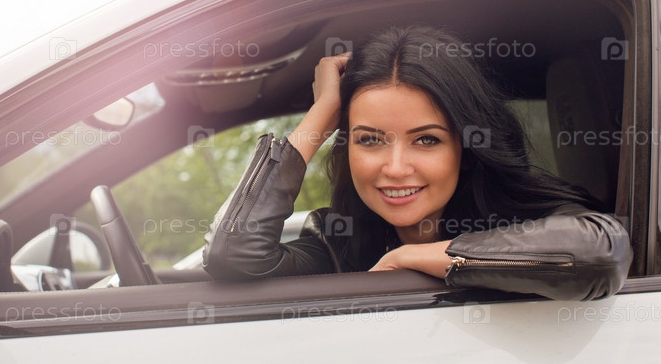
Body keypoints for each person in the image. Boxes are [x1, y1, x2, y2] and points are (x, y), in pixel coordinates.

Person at [203, 25, 632, 300]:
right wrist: (322, 114)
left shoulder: (527, 222)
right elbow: (233, 254)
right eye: (369, 140)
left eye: (426, 140)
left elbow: (601, 252)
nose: (395, 168)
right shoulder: (339, 244)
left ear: (466, 150)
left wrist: (411, 258)